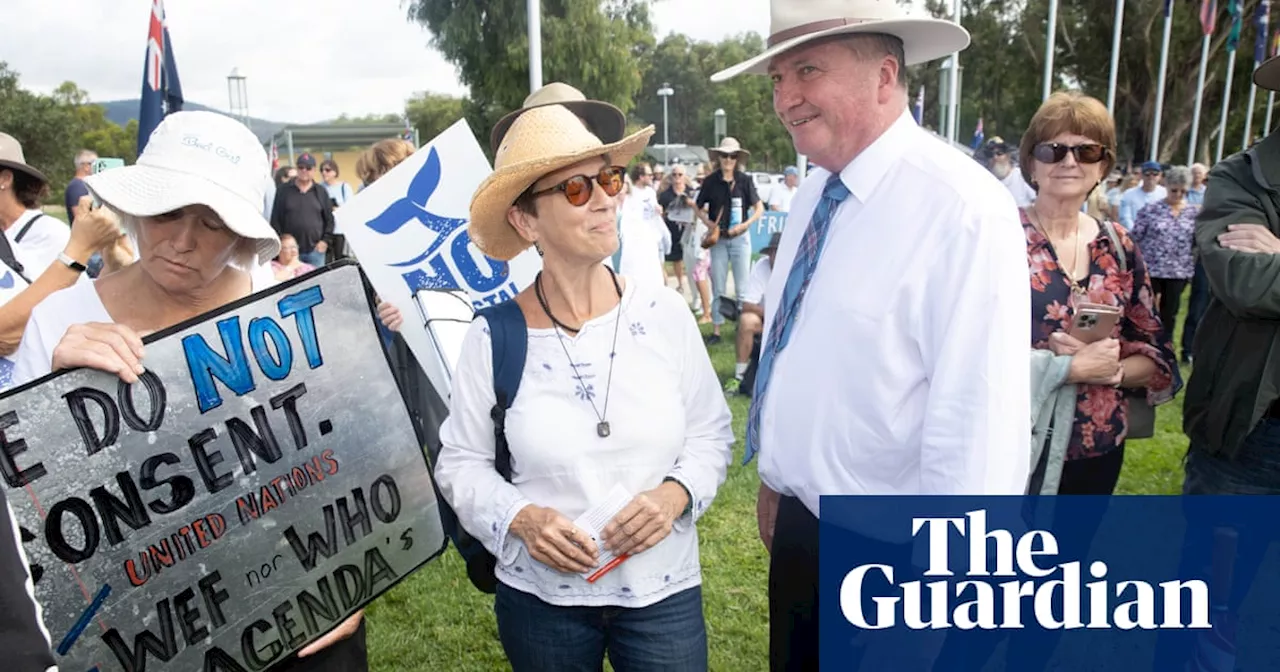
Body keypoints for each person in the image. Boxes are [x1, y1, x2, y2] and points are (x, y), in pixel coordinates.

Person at [710, 3, 1031, 669]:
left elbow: (978, 425)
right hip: (803, 529)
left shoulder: (963, 210)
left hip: (895, 555)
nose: (785, 98)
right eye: (776, 78)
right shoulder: (811, 196)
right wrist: (779, 479)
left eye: (806, 71)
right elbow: (798, 347)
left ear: (885, 76)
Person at [8, 110, 374, 671]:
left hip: (303, 611)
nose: (181, 241)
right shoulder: (60, 319)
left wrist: (360, 573)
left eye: (210, 222)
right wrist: (56, 404)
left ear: (243, 233)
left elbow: (355, 454)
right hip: (152, 627)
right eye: (166, 212)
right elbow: (31, 519)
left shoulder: (290, 308)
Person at [435, 97, 732, 671]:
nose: (604, 199)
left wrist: (673, 497)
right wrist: (523, 518)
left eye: (609, 178)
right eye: (576, 189)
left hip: (662, 595)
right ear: (526, 221)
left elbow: (712, 435)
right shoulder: (493, 336)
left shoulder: (665, 314)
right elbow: (460, 461)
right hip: (543, 602)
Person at [0, 133, 126, 384]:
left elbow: (82, 304)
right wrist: (79, 250)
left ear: (4, 179)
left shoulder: (49, 233)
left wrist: (108, 257)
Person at [695, 137, 763, 345]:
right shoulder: (710, 181)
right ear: (719, 158)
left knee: (743, 288)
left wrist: (746, 224)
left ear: (737, 159)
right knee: (719, 287)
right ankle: (716, 330)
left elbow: (759, 208)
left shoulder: (744, 180)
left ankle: (741, 328)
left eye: (732, 156)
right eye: (724, 156)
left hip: (740, 238)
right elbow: (697, 206)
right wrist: (708, 223)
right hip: (720, 240)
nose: (728, 160)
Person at [1129, 165, 1199, 339]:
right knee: (1145, 308)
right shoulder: (1150, 210)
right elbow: (1135, 236)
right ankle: (1143, 339)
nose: (1177, 195)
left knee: (1171, 312)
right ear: (1166, 187)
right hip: (1151, 267)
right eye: (1174, 190)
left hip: (1179, 271)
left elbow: (1197, 241)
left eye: (1183, 192)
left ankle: (1165, 344)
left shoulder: (1194, 213)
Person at [724, 232, 779, 395]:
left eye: (777, 252)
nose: (773, 257)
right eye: (772, 252)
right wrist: (772, 314)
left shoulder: (797, 269)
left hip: (792, 321)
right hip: (766, 319)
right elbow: (748, 304)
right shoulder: (762, 267)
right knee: (747, 320)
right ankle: (738, 376)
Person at [271, 153, 334, 267]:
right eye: (301, 167)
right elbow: (275, 219)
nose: (304, 170)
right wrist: (282, 244)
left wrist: (325, 241)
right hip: (289, 251)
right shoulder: (283, 191)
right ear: (297, 168)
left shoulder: (321, 191)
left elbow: (329, 220)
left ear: (314, 170)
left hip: (315, 251)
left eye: (308, 168)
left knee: (316, 282)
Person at [1117, 160, 1166, 229]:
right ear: (1141, 175)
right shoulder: (1129, 194)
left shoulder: (1165, 194)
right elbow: (1125, 218)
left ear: (1160, 175)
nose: (1151, 177)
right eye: (1147, 173)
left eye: (1155, 173)